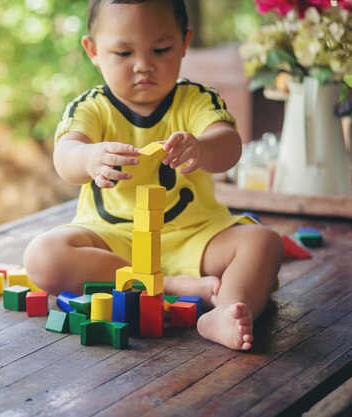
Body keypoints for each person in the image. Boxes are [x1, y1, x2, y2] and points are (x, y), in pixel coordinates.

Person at [23, 0, 284, 351]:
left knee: (263, 242)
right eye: (123, 52)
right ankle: (172, 285)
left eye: (160, 49)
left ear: (184, 43)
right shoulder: (91, 107)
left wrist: (204, 149)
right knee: (42, 256)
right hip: (114, 240)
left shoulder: (195, 100)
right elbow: (64, 157)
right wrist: (88, 157)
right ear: (93, 50)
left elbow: (230, 146)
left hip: (194, 235)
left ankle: (225, 310)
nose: (143, 65)